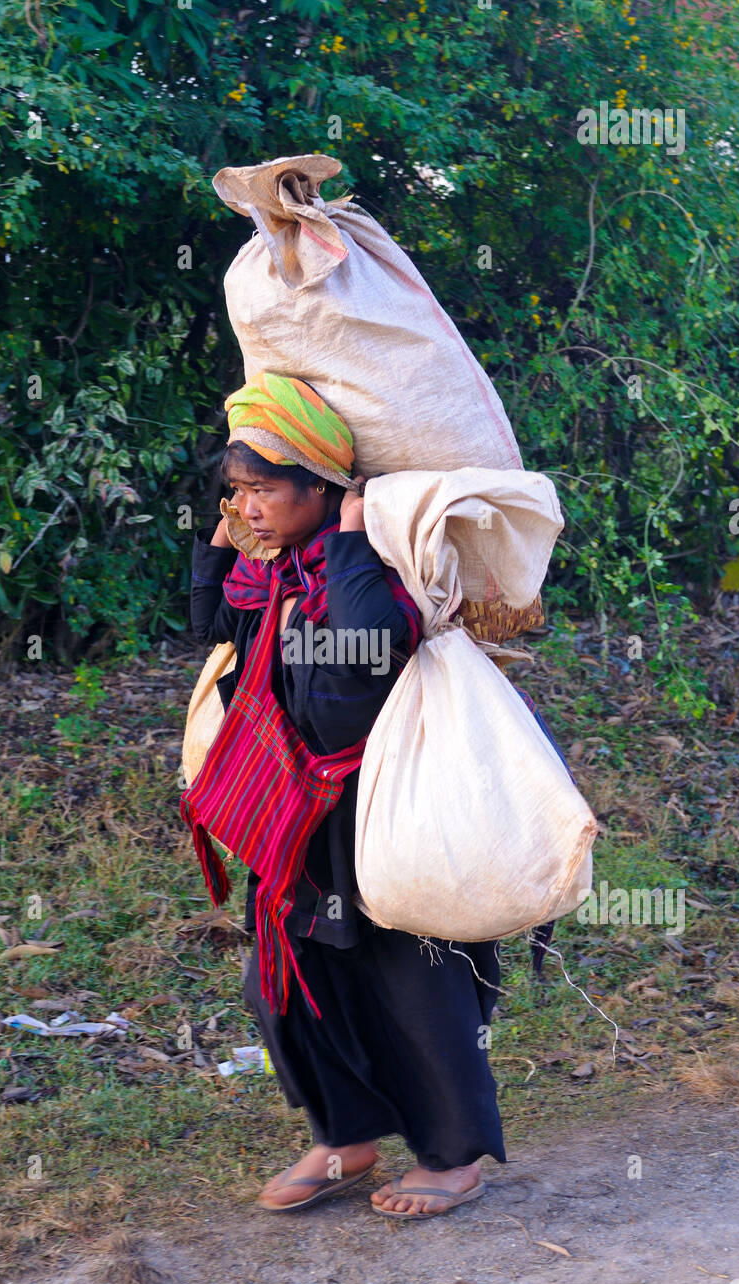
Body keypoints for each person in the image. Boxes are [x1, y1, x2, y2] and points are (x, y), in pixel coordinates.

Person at [186, 371, 511, 1219]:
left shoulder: (377, 570)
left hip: (382, 811)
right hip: (296, 819)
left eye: (263, 491)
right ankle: (344, 1137)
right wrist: (222, 541)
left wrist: (354, 539)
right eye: (238, 492)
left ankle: (452, 1157)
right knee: (287, 978)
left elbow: (349, 689)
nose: (248, 507)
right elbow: (211, 627)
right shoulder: (277, 572)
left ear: (321, 490)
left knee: (414, 980)